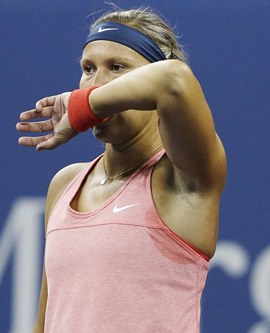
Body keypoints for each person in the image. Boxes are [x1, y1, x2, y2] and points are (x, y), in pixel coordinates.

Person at [16, 6, 226, 332]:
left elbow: (175, 79)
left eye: (117, 67)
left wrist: (86, 105)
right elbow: (45, 323)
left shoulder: (182, 178)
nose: (95, 84)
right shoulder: (66, 184)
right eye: (88, 69)